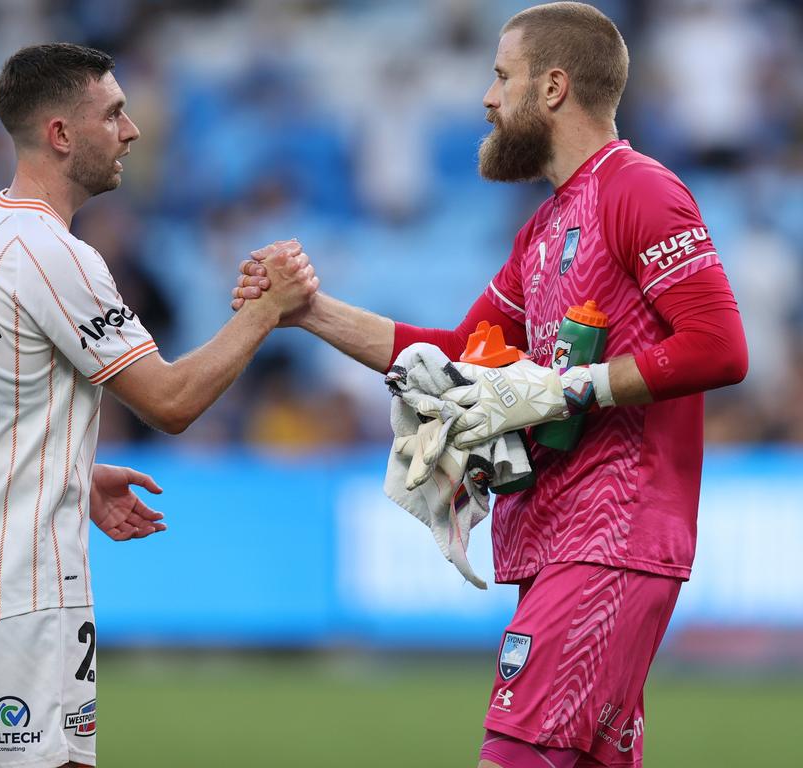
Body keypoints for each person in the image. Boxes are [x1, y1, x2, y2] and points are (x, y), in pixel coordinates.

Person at [233, 3, 748, 767]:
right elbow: (459, 354)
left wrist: (574, 389)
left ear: (553, 87)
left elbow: (720, 347)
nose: (487, 97)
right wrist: (308, 311)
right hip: (554, 538)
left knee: (513, 754)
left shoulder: (640, 190)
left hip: (610, 535)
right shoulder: (541, 231)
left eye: (502, 76)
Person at [0, 43, 317, 768]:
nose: (131, 131)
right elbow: (171, 401)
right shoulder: (56, 253)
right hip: (21, 587)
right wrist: (267, 310)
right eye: (115, 113)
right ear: (61, 134)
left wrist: (70, 471)